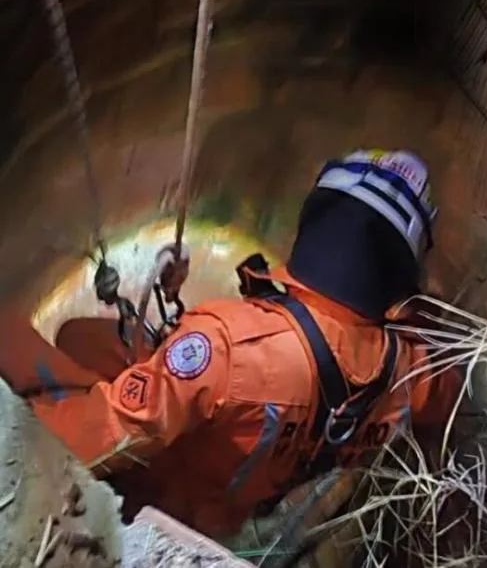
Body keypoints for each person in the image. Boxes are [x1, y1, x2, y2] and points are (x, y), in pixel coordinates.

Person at [17, 148, 464, 539]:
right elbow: (446, 383)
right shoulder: (412, 374)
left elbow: (109, 433)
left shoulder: (232, 345)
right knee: (84, 337)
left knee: (29, 343)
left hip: (163, 490)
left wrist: (29, 432)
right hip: (230, 510)